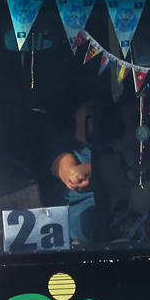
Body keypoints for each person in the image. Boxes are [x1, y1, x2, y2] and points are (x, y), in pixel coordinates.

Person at [94, 95, 150, 240]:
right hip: (127, 223)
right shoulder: (109, 153)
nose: (137, 110)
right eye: (130, 104)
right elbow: (125, 194)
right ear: (121, 109)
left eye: (143, 105)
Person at [49, 96, 102, 242]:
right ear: (75, 113)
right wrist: (113, 167)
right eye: (91, 109)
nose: (96, 115)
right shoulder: (62, 147)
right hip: (82, 216)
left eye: (100, 110)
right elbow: (74, 176)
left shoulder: (112, 146)